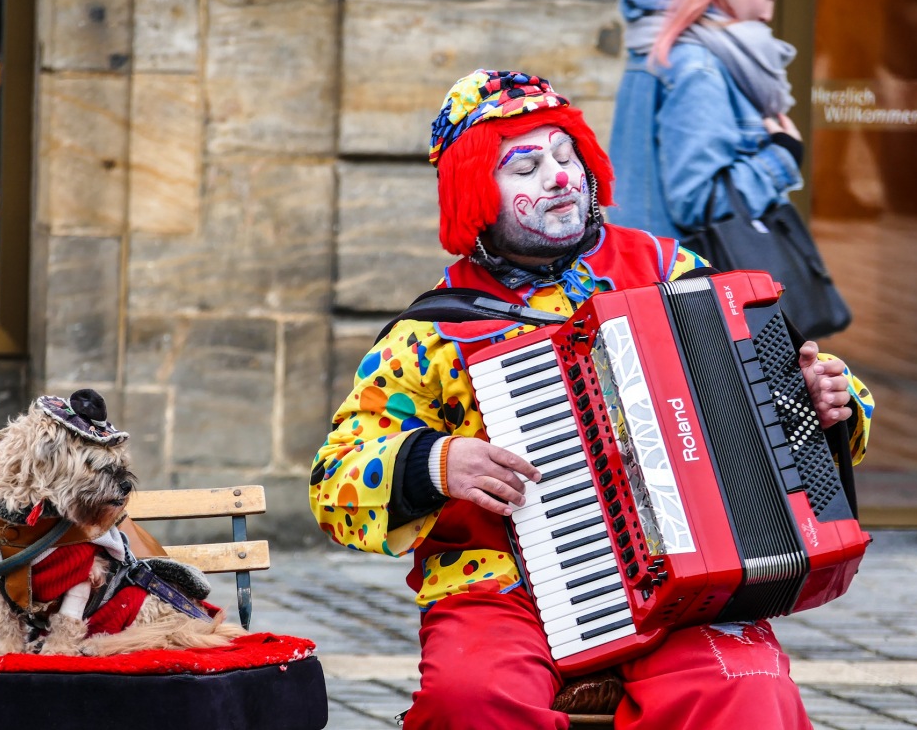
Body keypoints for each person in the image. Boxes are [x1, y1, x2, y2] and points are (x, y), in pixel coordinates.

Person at [310, 68, 874, 729]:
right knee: (468, 699)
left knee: (748, 690)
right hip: (502, 590)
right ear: (475, 194)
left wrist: (822, 397)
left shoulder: (671, 271)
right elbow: (333, 481)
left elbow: (794, 378)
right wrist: (436, 463)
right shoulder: (433, 333)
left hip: (688, 584)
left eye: (564, 153)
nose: (557, 177)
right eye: (523, 166)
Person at [608, 0, 805, 239]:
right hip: (690, 270)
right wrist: (782, 158)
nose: (768, 14)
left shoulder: (655, 47)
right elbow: (698, 204)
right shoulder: (697, 67)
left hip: (649, 261)